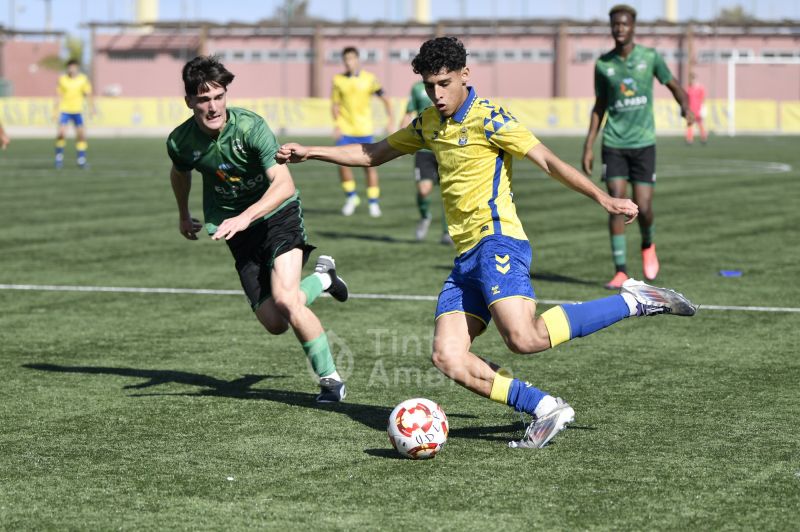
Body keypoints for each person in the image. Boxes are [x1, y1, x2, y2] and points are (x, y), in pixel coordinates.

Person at [277, 37, 697, 449]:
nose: (437, 94)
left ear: (465, 75)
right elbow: (373, 153)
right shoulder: (428, 123)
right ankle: (546, 408)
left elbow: (548, 160)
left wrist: (603, 197)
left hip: (499, 240)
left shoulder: (491, 118)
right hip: (465, 259)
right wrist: (310, 151)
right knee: (448, 357)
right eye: (429, 86)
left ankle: (635, 300)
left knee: (524, 338)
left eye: (444, 84)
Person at [166, 56, 349, 403]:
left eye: (218, 97)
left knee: (285, 299)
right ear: (189, 101)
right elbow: (180, 172)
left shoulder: (251, 128)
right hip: (237, 229)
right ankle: (325, 280)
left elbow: (283, 185)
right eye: (203, 100)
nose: (212, 107)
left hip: (277, 214)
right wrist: (182, 213)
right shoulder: (180, 141)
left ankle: (330, 380)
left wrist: (246, 216)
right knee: (275, 322)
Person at [582, 4, 694, 289]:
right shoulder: (603, 64)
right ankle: (620, 270)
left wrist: (685, 106)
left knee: (643, 206)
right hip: (614, 143)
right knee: (616, 203)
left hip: (643, 144)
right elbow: (600, 105)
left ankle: (648, 244)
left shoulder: (650, 58)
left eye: (624, 24)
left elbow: (674, 85)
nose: (620, 29)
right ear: (611, 28)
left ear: (633, 27)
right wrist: (589, 145)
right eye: (615, 25)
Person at [331, 46, 393, 217]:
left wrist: (390, 120)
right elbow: (335, 105)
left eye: (351, 58)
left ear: (357, 59)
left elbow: (385, 98)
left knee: (370, 166)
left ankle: (373, 203)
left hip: (365, 129)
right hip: (345, 129)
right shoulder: (338, 80)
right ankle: (351, 198)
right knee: (341, 163)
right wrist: (337, 124)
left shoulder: (369, 79)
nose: (348, 62)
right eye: (346, 59)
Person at [399, 80, 452, 245]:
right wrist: (399, 140)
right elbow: (408, 112)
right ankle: (424, 216)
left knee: (448, 192)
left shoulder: (449, 84)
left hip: (446, 147)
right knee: (423, 190)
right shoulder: (417, 88)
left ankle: (447, 232)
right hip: (424, 148)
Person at [55, 59, 94, 169]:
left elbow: (88, 94)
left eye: (73, 66)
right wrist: (55, 111)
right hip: (65, 110)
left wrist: (91, 108)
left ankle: (81, 160)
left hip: (78, 111)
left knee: (81, 135)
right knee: (61, 133)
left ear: (77, 68)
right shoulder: (62, 79)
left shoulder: (83, 79)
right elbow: (58, 95)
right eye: (69, 66)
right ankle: (59, 159)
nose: (71, 68)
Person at [685, 73, 708, 145]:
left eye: (693, 79)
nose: (692, 81)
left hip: (698, 109)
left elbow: (703, 98)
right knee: (690, 124)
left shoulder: (700, 89)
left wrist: (703, 108)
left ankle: (703, 137)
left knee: (700, 124)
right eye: (691, 79)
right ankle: (689, 139)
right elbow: (686, 98)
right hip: (691, 110)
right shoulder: (689, 89)